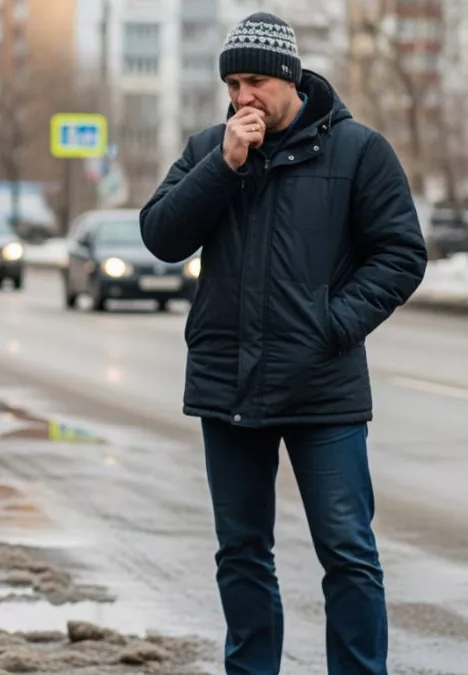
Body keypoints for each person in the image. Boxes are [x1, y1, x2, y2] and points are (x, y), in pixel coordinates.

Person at [139, 12, 426, 675]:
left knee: (347, 552)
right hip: (228, 386)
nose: (243, 97)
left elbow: (401, 254)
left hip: (323, 388)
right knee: (241, 553)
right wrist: (223, 166)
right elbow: (161, 236)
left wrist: (333, 324)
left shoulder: (359, 151)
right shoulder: (209, 149)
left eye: (256, 83)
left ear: (290, 79)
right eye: (233, 84)